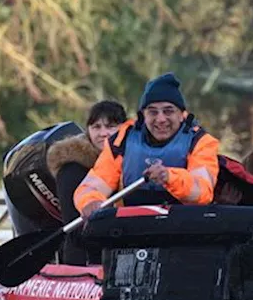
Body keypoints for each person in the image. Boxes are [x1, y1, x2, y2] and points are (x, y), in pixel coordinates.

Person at [75, 72, 221, 215]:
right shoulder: (121, 141)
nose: (161, 119)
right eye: (153, 112)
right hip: (131, 227)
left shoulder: (200, 142)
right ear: (143, 115)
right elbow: (92, 185)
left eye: (168, 111)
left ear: (181, 115)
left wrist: (168, 177)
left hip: (181, 226)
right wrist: (90, 201)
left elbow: (202, 191)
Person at [46, 99, 128, 264]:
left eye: (111, 126)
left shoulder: (132, 161)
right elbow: (75, 228)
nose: (103, 133)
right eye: (96, 127)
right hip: (84, 257)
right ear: (88, 130)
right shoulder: (72, 168)